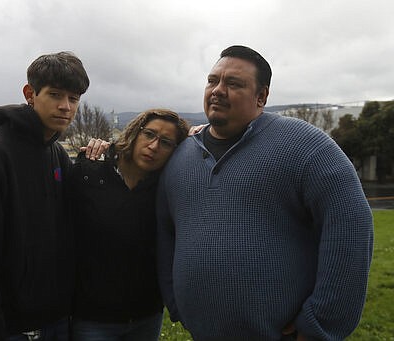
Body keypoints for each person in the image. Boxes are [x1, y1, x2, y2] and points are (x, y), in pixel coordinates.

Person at [156, 45, 374, 341]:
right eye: (212, 80)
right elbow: (165, 233)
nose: (218, 90)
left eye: (233, 83)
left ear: (262, 97)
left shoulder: (305, 145)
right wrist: (176, 302)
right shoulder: (180, 157)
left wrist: (321, 322)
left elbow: (351, 225)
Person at [0, 52, 96, 340]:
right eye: (55, 94)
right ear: (30, 94)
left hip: (56, 320)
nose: (65, 106)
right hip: (8, 327)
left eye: (73, 98)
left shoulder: (55, 153)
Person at [69, 109, 189, 341]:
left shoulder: (166, 187)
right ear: (135, 133)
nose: (154, 147)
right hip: (92, 317)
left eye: (165, 142)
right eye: (149, 135)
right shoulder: (90, 173)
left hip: (146, 315)